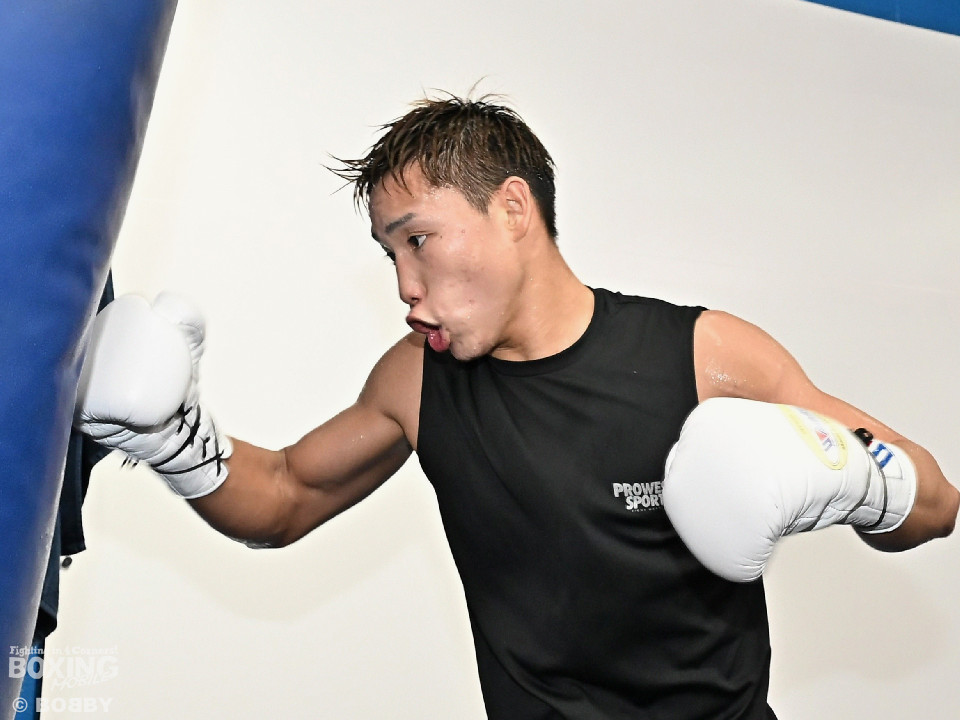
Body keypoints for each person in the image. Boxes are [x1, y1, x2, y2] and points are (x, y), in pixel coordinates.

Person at [75, 95, 958, 719]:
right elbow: (285, 496)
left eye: (419, 240)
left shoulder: (701, 356)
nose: (405, 286)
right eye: (390, 256)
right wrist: (173, 442)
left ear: (512, 209)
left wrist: (858, 480)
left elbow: (936, 502)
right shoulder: (418, 381)